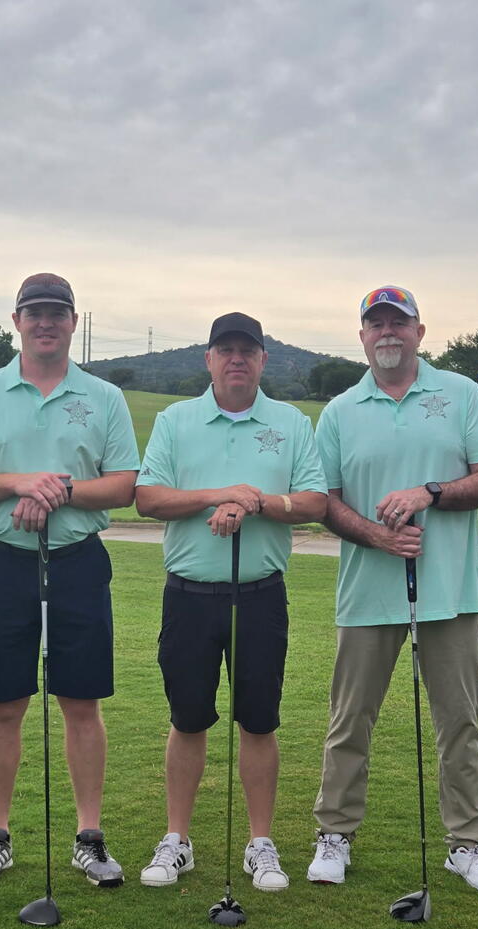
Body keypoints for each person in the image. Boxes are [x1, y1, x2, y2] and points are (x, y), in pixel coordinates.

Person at [0, 273, 139, 889]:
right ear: (17, 320)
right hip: (2, 561)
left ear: (73, 322)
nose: (46, 322)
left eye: (58, 312)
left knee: (81, 702)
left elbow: (125, 483)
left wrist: (58, 491)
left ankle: (89, 836)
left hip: (78, 561)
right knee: (5, 703)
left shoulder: (103, 396)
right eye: (35, 312)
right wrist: (20, 483)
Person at [308, 285, 478, 893]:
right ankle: (334, 835)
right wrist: (374, 535)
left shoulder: (461, 394)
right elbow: (324, 500)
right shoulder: (341, 410)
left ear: (420, 331)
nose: (387, 332)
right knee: (350, 722)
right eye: (376, 324)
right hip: (367, 592)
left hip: (448, 592)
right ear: (363, 335)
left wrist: (431, 492)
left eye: (399, 323)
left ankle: (467, 845)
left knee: (459, 724)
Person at [135, 312, 327, 890]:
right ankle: (177, 839)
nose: (237, 358)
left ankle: (260, 842)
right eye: (226, 350)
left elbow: (315, 500)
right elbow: (148, 498)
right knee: (187, 719)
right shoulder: (176, 420)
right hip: (189, 597)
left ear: (264, 360)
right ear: (209, 358)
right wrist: (220, 494)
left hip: (261, 596)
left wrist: (255, 503)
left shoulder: (290, 423)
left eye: (248, 350)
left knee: (258, 721)